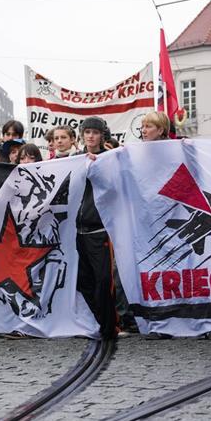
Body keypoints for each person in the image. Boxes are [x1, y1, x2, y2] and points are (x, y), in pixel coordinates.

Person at [75, 117, 118, 339]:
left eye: (95, 132)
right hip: (75, 231)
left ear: (103, 135)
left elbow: (115, 186)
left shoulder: (109, 159)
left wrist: (98, 167)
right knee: (83, 281)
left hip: (100, 229)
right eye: (87, 132)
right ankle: (96, 321)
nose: (90, 136)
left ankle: (109, 326)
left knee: (103, 280)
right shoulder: (74, 159)